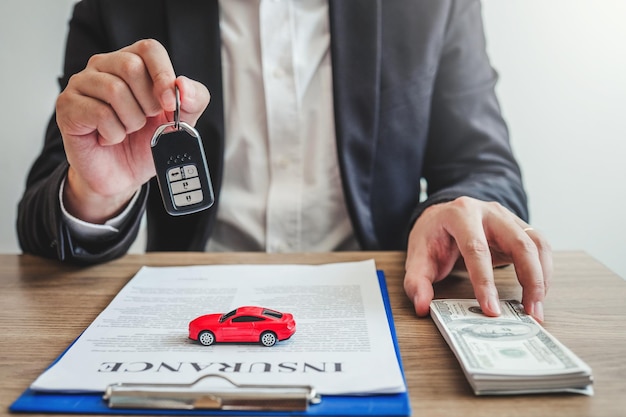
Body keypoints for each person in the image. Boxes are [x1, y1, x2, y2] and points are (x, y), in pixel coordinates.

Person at [17, 0, 551, 322]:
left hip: (389, 305)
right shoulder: (116, 4)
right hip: (188, 316)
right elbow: (42, 222)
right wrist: (99, 193)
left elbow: (485, 165)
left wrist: (452, 210)